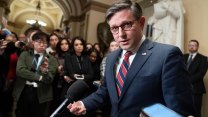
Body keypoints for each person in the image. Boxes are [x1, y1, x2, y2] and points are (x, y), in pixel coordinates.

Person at [67, 1, 195, 117]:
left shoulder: (167, 55)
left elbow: (179, 111)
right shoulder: (111, 58)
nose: (121, 34)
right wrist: (84, 104)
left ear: (141, 23)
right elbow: (105, 91)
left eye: (127, 25)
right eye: (114, 28)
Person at [12, 31, 58, 117]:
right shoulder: (25, 54)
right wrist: (39, 77)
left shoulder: (52, 60)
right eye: (39, 42)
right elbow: (20, 71)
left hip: (41, 93)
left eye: (44, 43)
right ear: (33, 42)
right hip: (24, 90)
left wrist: (45, 72)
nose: (42, 45)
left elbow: (49, 80)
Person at [183, 40, 208, 117]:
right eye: (190, 45)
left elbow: (201, 74)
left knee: (195, 111)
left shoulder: (203, 58)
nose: (191, 46)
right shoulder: (183, 56)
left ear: (197, 47)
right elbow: (179, 70)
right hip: (182, 89)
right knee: (184, 111)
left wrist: (186, 81)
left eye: (194, 45)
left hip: (196, 89)